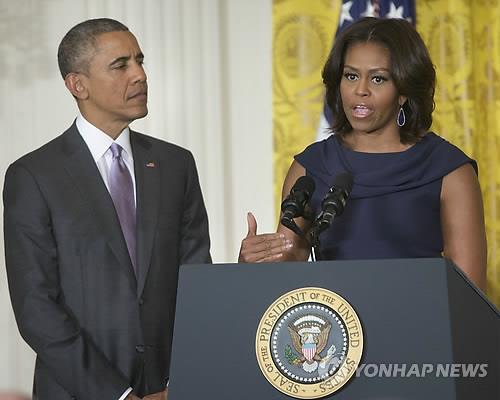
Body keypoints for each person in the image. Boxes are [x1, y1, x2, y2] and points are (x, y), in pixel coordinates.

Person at [3, 18, 211, 400]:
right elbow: (36, 308)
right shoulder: (33, 176)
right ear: (77, 85)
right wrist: (117, 395)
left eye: (139, 61)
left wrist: (180, 382)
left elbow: (196, 281)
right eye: (120, 65)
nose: (140, 75)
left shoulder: (176, 164)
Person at [239, 17, 487, 291]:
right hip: (334, 317)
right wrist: (256, 262)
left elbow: (468, 291)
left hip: (421, 316)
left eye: (378, 79)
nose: (360, 90)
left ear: (404, 90)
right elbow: (289, 264)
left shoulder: (449, 171)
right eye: (351, 76)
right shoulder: (310, 167)